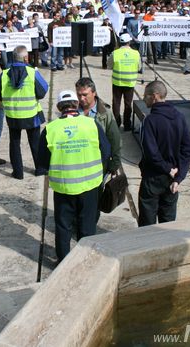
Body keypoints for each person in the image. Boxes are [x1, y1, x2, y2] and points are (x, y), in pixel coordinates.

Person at [37, 90, 111, 261]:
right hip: (90, 185)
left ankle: (63, 262)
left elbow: (42, 162)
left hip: (63, 187)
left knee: (63, 226)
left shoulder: (50, 129)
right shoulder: (91, 124)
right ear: (76, 104)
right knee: (87, 226)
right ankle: (85, 259)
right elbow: (106, 151)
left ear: (59, 107)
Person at [138, 81, 190, 226]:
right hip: (172, 180)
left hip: (153, 179)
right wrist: (178, 177)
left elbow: (151, 153)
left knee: (146, 227)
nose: (143, 99)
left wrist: (168, 169)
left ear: (155, 96)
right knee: (168, 226)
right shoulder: (180, 117)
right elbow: (187, 151)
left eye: (146, 95)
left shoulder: (150, 121)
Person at [0, 46, 48, 179]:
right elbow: (42, 91)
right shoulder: (32, 72)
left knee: (14, 143)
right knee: (35, 142)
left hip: (12, 114)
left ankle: (18, 172)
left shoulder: (4, 74)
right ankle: (40, 169)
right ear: (26, 58)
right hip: (31, 114)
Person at [75, 77, 121, 175]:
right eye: (79, 95)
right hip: (78, 163)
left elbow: (115, 139)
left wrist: (115, 163)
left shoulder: (105, 113)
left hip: (99, 165)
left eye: (85, 95)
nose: (81, 98)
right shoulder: (72, 112)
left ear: (94, 93)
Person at [111, 39, 140, 131]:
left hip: (117, 82)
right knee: (128, 104)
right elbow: (139, 67)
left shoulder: (115, 53)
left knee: (116, 103)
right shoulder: (136, 53)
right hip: (130, 82)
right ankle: (127, 124)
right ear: (129, 42)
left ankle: (116, 123)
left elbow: (109, 65)